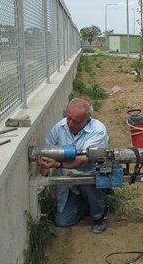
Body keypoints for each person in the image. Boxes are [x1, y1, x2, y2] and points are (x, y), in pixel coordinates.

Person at [35, 98, 109, 234]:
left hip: (89, 176)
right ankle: (87, 204)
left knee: (88, 184)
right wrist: (44, 165)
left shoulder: (98, 131)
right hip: (69, 179)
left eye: (76, 121)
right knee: (62, 222)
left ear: (87, 121)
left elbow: (83, 160)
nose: (70, 123)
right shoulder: (60, 127)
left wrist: (58, 164)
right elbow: (47, 148)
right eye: (69, 118)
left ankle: (100, 214)